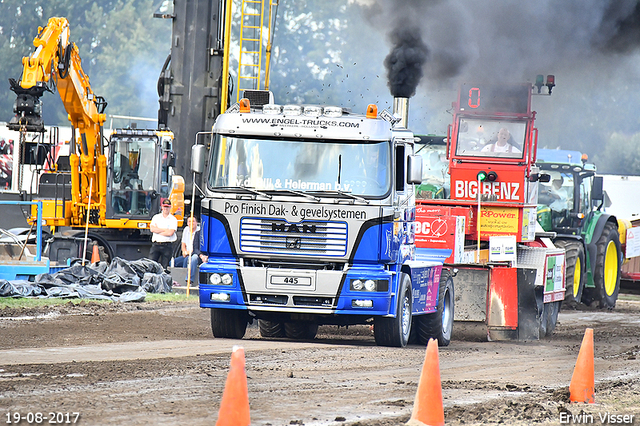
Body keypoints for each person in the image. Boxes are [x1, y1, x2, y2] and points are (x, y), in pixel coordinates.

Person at [173, 216, 207, 284]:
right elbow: (186, 245)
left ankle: (189, 280)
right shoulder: (189, 230)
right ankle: (181, 281)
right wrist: (184, 252)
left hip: (196, 254)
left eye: (193, 221)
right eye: (189, 221)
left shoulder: (201, 232)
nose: (191, 223)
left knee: (190, 259)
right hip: (193, 254)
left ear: (197, 223)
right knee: (173, 262)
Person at [149, 198, 178, 270]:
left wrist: (158, 230)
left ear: (170, 207)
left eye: (167, 207)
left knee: (165, 268)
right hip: (156, 244)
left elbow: (170, 233)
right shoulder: (156, 217)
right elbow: (152, 229)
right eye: (164, 206)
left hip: (167, 246)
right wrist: (165, 230)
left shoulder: (173, 219)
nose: (166, 208)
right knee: (151, 265)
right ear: (162, 207)